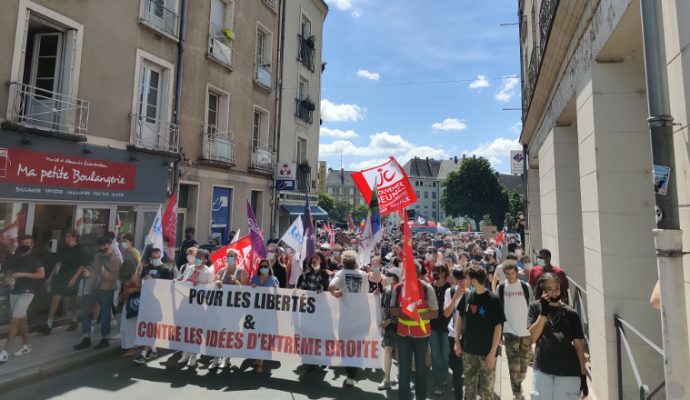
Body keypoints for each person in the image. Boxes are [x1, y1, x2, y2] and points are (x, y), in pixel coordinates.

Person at [528, 273, 588, 399]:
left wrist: (583, 377)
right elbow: (533, 336)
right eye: (549, 289)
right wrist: (543, 313)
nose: (554, 293)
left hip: (569, 372)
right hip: (542, 369)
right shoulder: (535, 307)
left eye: (557, 289)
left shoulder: (571, 313)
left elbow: (579, 347)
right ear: (542, 290)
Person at [390, 259, 438, 400]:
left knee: (421, 370)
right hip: (403, 335)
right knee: (403, 370)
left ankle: (421, 397)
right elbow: (392, 310)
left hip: (421, 336)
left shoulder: (427, 288)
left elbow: (434, 313)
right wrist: (404, 312)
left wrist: (415, 316)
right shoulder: (397, 288)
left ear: (417, 272)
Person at [454, 266, 504, 400]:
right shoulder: (467, 296)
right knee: (469, 389)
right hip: (468, 352)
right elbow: (460, 317)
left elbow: (498, 327)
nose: (465, 280)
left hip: (487, 353)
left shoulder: (493, 299)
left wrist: (493, 353)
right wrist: (457, 341)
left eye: (467, 278)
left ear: (474, 280)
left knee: (487, 392)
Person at [0, 235, 45, 362]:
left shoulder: (34, 259)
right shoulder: (15, 258)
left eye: (27, 243)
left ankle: (5, 352)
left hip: (27, 292)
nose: (25, 244)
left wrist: (23, 274)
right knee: (21, 320)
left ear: (31, 245)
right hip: (14, 291)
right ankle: (27, 345)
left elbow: (41, 275)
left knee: (14, 320)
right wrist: (8, 278)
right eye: (23, 242)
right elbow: (7, 271)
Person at [329, 250, 369, 387]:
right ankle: (352, 374)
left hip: (345, 316)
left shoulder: (341, 273)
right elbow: (366, 293)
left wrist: (335, 294)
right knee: (357, 344)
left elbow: (331, 287)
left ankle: (348, 371)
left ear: (343, 262)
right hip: (360, 315)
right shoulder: (363, 275)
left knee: (345, 344)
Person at [74, 237, 122, 350]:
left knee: (105, 315)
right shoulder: (97, 256)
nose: (102, 248)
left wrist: (106, 274)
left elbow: (116, 276)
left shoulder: (115, 258)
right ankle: (86, 338)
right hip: (94, 287)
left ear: (110, 246)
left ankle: (104, 339)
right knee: (85, 311)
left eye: (104, 246)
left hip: (107, 288)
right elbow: (94, 269)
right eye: (100, 246)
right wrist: (88, 272)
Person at [497, 260, 533, 400]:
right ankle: (518, 395)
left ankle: (518, 385)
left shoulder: (525, 286)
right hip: (509, 330)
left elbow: (533, 305)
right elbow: (498, 311)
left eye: (513, 273)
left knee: (524, 365)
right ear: (505, 274)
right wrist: (500, 333)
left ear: (517, 273)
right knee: (513, 366)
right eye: (508, 274)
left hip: (525, 330)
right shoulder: (501, 288)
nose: (511, 276)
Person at [207, 248, 248, 370]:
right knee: (217, 331)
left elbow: (246, 291)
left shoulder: (242, 272)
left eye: (232, 256)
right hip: (220, 307)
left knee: (230, 333)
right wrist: (217, 282)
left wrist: (236, 283)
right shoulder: (221, 271)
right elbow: (213, 285)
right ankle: (216, 357)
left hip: (234, 308)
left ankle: (227, 358)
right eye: (228, 255)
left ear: (237, 258)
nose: (229, 257)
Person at [43, 229, 88, 334]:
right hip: (61, 276)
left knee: (72, 299)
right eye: (66, 236)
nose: (66, 238)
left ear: (74, 237)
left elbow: (82, 265)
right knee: (56, 297)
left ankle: (74, 319)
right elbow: (58, 263)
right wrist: (51, 276)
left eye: (68, 236)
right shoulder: (63, 248)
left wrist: (74, 278)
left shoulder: (80, 249)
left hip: (73, 276)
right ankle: (48, 324)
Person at [177, 249, 215, 367]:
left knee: (196, 330)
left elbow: (210, 288)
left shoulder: (208, 272)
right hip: (186, 303)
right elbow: (182, 279)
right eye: (197, 256)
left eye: (201, 257)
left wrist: (200, 285)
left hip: (199, 305)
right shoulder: (190, 268)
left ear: (205, 260)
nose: (198, 258)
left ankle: (194, 355)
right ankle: (186, 353)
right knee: (186, 328)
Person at [444, 267, 469, 400]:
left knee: (470, 371)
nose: (461, 283)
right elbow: (446, 313)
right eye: (458, 280)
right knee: (457, 371)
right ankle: (458, 396)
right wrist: (455, 298)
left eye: (464, 280)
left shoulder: (473, 293)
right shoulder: (450, 291)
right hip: (453, 336)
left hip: (469, 337)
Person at [430, 264, 452, 396]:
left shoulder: (450, 289)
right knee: (436, 355)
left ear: (444, 272)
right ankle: (438, 382)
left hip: (446, 327)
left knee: (445, 355)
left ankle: (444, 376)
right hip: (432, 326)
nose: (435, 273)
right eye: (434, 271)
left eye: (438, 271)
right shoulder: (430, 287)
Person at [378, 266, 401, 390]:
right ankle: (386, 379)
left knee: (400, 353)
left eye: (390, 274)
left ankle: (400, 376)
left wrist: (389, 320)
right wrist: (383, 320)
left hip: (400, 325)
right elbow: (383, 306)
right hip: (388, 327)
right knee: (387, 350)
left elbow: (402, 310)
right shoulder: (386, 290)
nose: (387, 276)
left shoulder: (402, 291)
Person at [118, 260, 140, 356]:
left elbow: (142, 288)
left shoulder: (135, 278)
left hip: (131, 305)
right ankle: (133, 346)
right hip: (129, 304)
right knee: (129, 327)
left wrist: (133, 289)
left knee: (126, 328)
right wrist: (122, 295)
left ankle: (130, 348)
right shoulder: (132, 277)